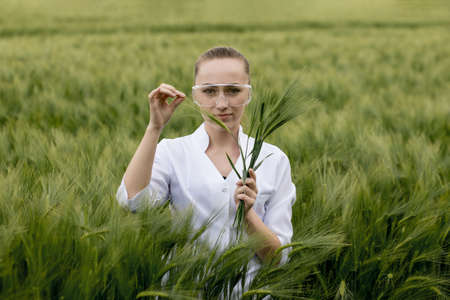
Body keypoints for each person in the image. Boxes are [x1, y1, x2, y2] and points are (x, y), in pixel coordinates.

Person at [116, 47, 296, 264]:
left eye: (233, 90)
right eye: (209, 91)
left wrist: (248, 216)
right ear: (195, 95)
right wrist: (154, 127)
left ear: (248, 94)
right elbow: (134, 203)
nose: (221, 104)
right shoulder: (172, 152)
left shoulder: (274, 159)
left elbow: (278, 259)